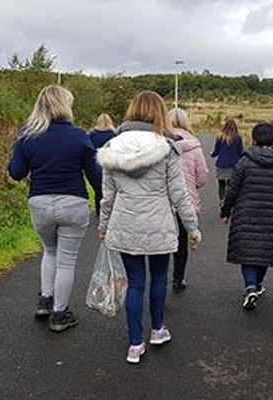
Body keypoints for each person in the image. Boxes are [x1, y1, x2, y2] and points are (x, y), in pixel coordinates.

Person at [96, 91, 202, 364]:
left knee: (134, 284)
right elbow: (179, 194)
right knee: (159, 278)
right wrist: (192, 227)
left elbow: (107, 196)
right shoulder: (167, 147)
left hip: (125, 223)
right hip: (159, 225)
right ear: (160, 113)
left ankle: (134, 345)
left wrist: (103, 225)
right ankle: (157, 330)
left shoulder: (112, 147)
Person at [7, 85, 101, 332]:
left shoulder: (26, 135)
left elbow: (16, 173)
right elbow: (96, 177)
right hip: (73, 202)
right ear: (64, 105)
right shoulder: (80, 136)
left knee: (49, 251)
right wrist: (105, 202)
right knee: (66, 262)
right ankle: (60, 314)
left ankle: (44, 300)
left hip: (40, 202)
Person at [221, 123, 273, 311]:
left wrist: (226, 211)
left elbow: (232, 189)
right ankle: (258, 285)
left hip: (246, 213)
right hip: (272, 216)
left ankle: (250, 286)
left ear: (253, 139)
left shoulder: (245, 161)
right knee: (264, 252)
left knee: (248, 253)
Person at [168, 108, 209, 293]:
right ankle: (178, 278)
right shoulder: (194, 145)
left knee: (162, 240)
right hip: (187, 199)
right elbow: (203, 176)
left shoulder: (161, 142)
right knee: (182, 242)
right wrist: (193, 186)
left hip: (164, 200)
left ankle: (159, 278)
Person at [88, 113, 117, 216]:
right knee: (111, 190)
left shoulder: (92, 135)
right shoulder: (114, 135)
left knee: (98, 190)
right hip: (110, 164)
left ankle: (99, 211)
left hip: (96, 165)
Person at [210, 118, 244, 203]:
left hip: (221, 164)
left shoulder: (220, 137)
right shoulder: (238, 138)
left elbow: (216, 151)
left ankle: (222, 200)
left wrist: (212, 154)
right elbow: (241, 152)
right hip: (233, 165)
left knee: (221, 185)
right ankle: (229, 201)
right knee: (230, 185)